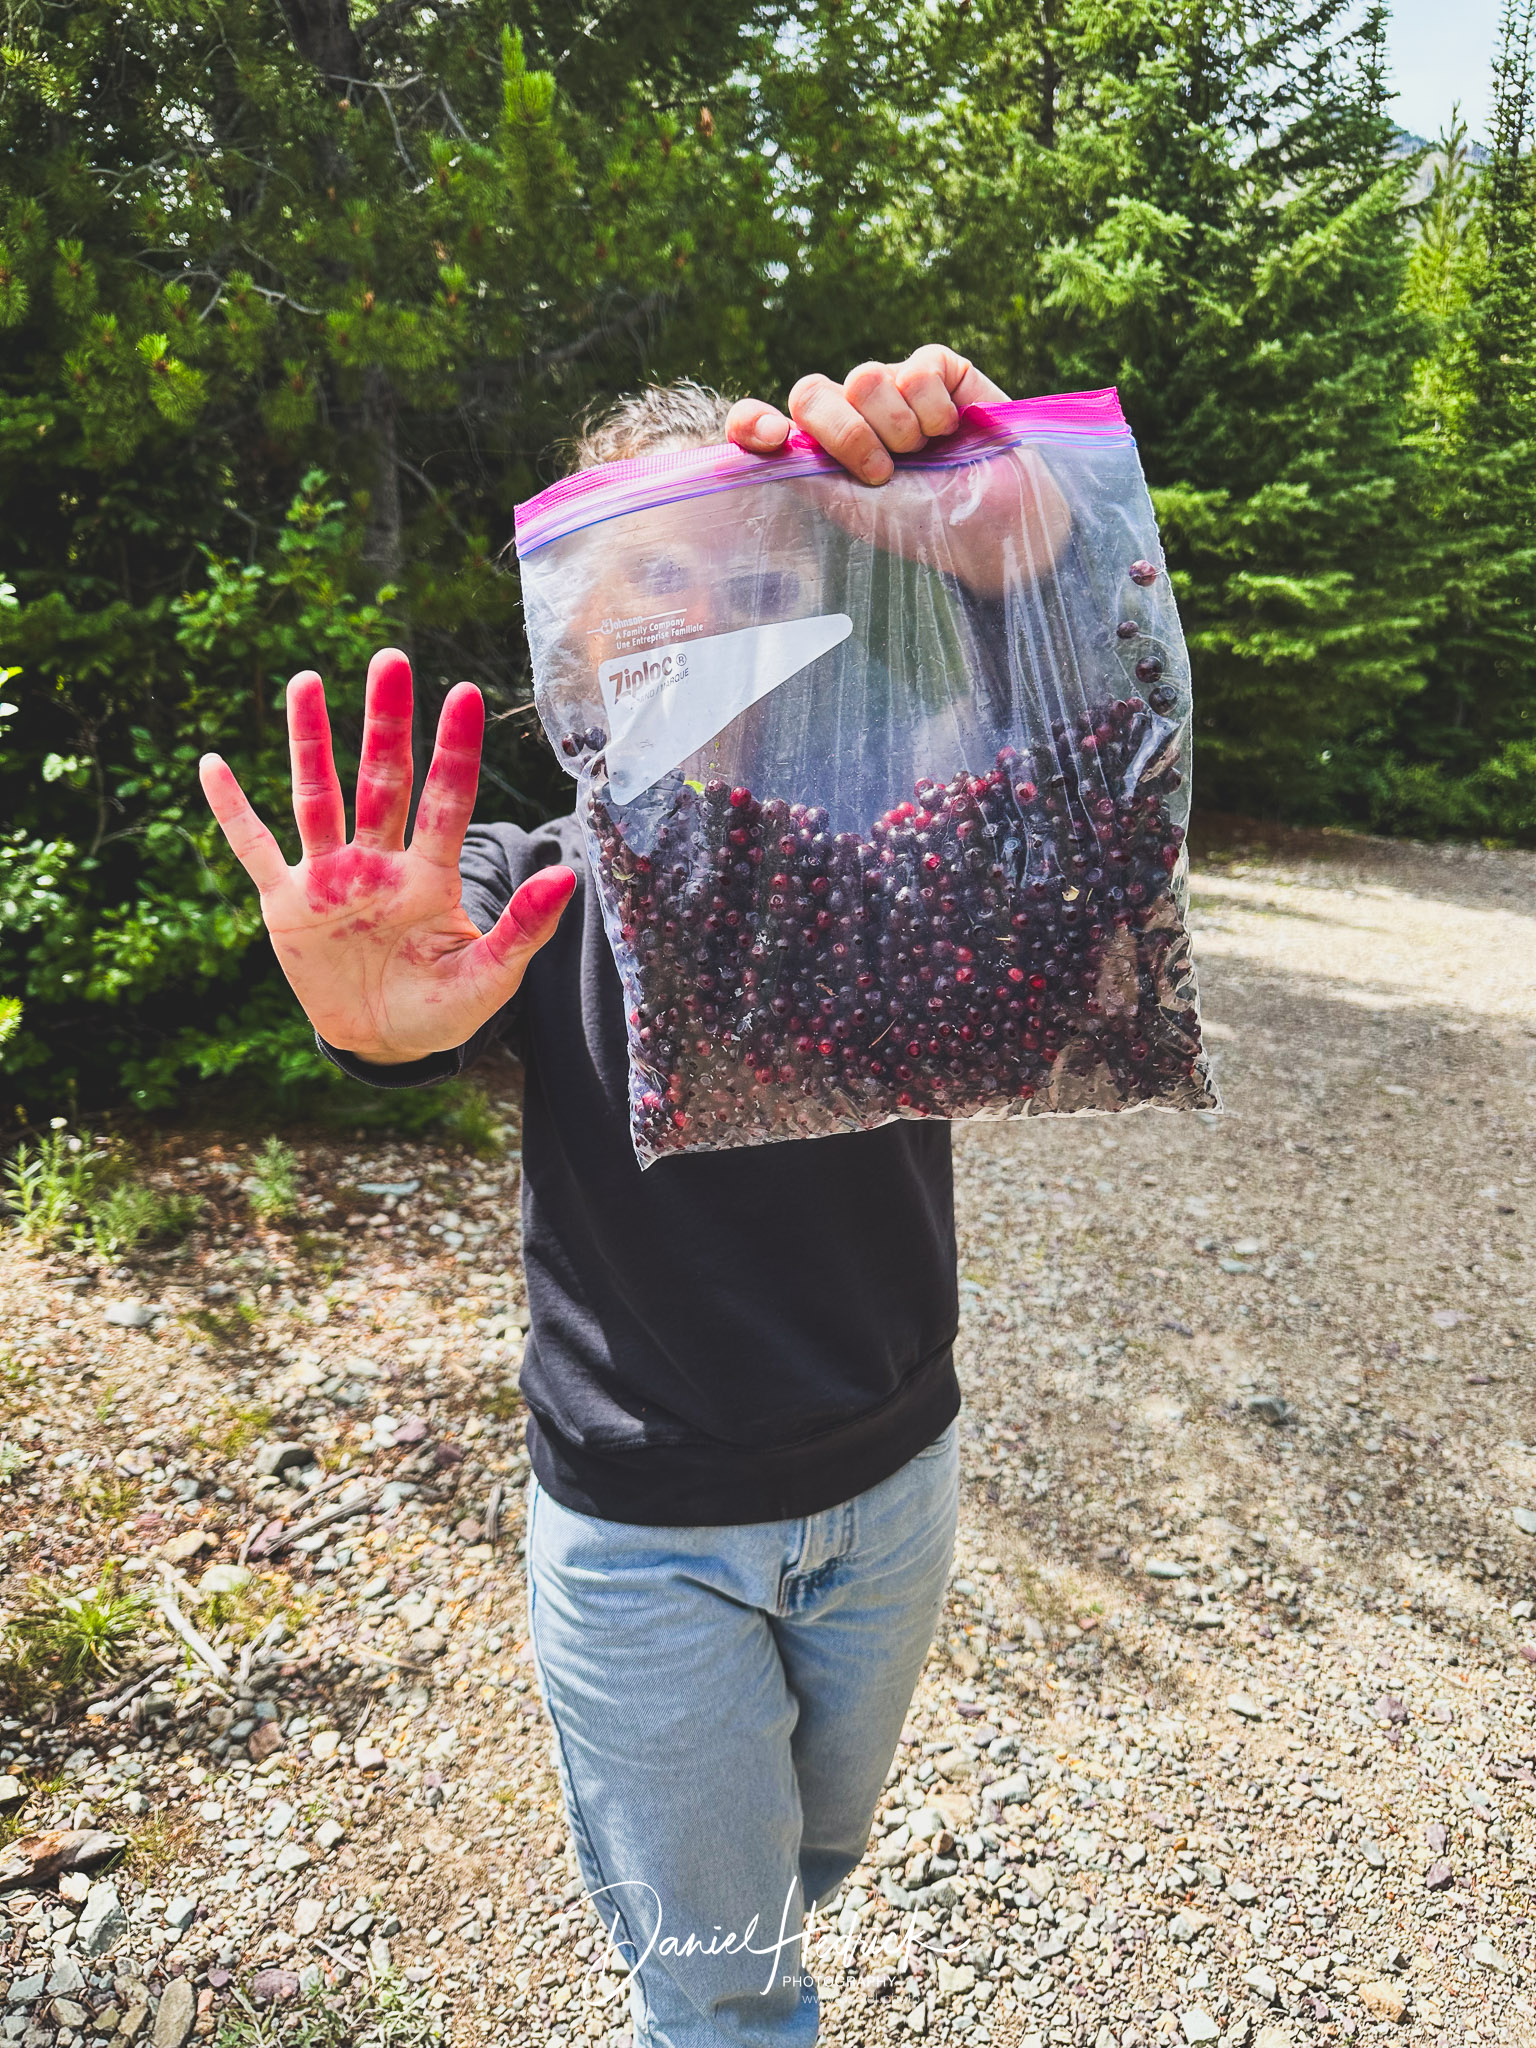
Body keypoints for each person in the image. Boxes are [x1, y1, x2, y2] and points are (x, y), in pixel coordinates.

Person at [200, 346, 1022, 2048]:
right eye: (655, 576)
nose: (710, 617)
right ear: (571, 639)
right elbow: (431, 990)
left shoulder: (887, 842)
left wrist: (1013, 554)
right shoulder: (535, 890)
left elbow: (1064, 776)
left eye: (759, 578)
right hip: (649, 1538)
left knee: (814, 1855)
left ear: (822, 617)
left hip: (897, 1483)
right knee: (725, 1984)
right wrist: (376, 1023)